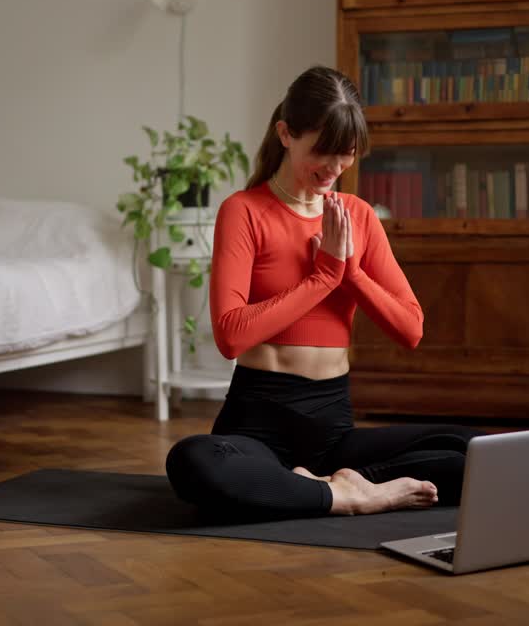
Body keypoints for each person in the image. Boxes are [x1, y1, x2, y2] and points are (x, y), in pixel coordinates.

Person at [165, 65, 482, 519]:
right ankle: (349, 496)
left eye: (347, 154)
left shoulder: (357, 217)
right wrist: (322, 277)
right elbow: (231, 335)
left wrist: (349, 271)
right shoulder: (244, 211)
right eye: (322, 152)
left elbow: (410, 328)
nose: (335, 169)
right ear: (286, 134)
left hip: (333, 430)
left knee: (475, 449)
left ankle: (331, 486)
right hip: (257, 425)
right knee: (193, 462)